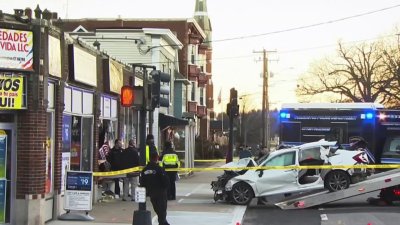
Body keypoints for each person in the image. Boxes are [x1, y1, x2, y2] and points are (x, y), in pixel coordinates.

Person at [140, 152, 170, 225]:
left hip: (152, 192)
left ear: (150, 158)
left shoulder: (145, 170)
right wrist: (166, 188)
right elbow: (166, 181)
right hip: (161, 192)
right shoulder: (159, 169)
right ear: (157, 158)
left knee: (157, 208)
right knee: (162, 210)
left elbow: (142, 182)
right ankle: (163, 223)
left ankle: (164, 222)